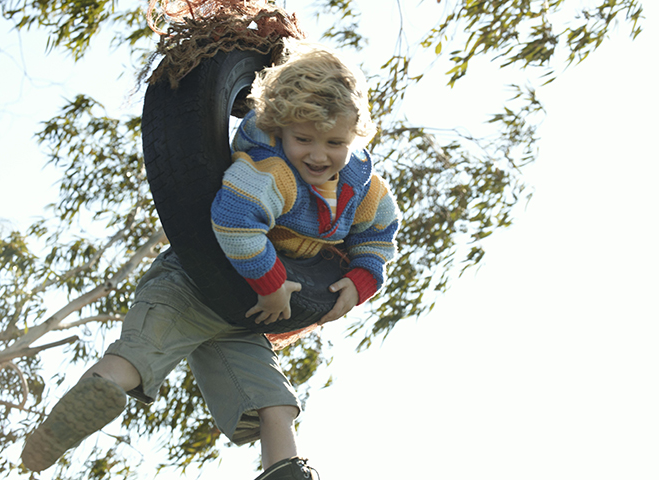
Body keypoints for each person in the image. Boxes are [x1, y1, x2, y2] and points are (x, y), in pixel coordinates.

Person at [21, 40, 400, 480]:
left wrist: (359, 281)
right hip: (192, 282)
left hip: (244, 312)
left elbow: (379, 237)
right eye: (303, 139)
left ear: (354, 135)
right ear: (278, 128)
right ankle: (73, 416)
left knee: (275, 402)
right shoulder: (269, 171)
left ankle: (285, 471)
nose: (318, 155)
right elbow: (235, 220)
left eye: (335, 142)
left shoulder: (362, 188)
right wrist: (273, 282)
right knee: (138, 359)